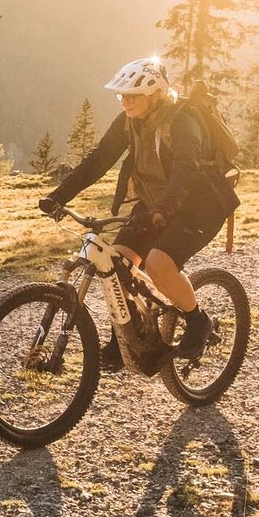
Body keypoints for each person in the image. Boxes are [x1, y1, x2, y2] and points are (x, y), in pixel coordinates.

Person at [40, 58, 232, 364]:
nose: (125, 101)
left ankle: (197, 321)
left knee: (158, 263)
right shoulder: (129, 121)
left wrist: (163, 211)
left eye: (132, 96)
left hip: (199, 204)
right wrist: (58, 196)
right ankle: (132, 335)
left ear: (155, 96)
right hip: (156, 202)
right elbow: (98, 160)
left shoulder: (182, 122)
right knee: (115, 262)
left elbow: (186, 171)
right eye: (121, 95)